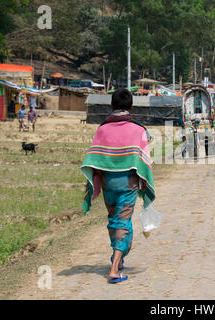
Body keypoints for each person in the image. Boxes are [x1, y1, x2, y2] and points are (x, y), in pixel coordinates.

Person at [81, 88, 155, 284]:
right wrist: (145, 183)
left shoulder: (102, 129)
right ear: (131, 106)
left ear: (112, 106)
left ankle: (118, 257)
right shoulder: (138, 130)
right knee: (122, 222)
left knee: (115, 219)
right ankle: (114, 270)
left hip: (108, 184)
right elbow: (145, 159)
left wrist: (95, 180)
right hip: (128, 183)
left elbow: (94, 157)